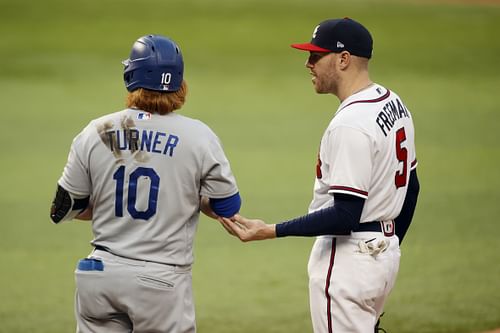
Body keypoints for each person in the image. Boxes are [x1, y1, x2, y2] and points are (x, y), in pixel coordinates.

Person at [220, 18, 420, 333]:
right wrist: (388, 248)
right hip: (381, 256)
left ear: (343, 59)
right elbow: (412, 188)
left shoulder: (350, 125)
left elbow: (344, 216)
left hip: (348, 264)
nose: (307, 63)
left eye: (316, 56)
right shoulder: (393, 104)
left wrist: (270, 230)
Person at [50, 34, 241, 333]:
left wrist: (106, 204)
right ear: (180, 84)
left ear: (130, 77)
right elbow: (227, 206)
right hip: (160, 281)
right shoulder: (199, 136)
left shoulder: (95, 130)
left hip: (98, 275)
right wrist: (186, 198)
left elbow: (64, 208)